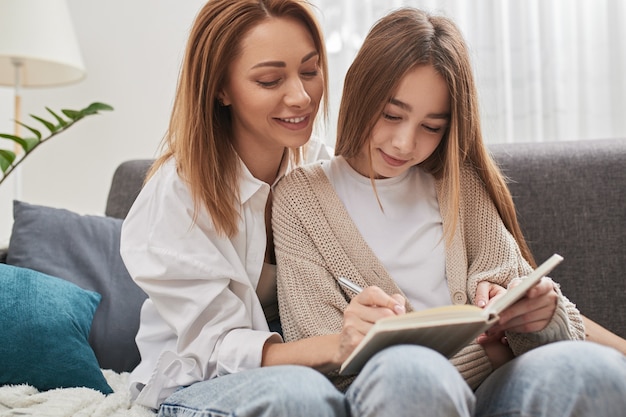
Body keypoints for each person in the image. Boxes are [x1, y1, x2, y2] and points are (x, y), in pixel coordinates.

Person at [272, 7, 626, 417]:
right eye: (392, 115)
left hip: (502, 388)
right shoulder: (300, 199)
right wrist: (490, 354)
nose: (404, 143)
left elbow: (552, 326)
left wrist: (540, 318)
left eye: (431, 127)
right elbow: (327, 361)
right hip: (402, 390)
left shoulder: (459, 183)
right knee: (412, 375)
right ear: (359, 89)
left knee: (594, 371)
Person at [120, 1, 349, 415]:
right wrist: (335, 346)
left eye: (310, 71)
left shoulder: (323, 168)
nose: (301, 96)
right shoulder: (176, 195)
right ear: (220, 89)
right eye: (269, 79)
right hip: (196, 379)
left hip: (306, 365)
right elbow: (214, 349)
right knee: (300, 396)